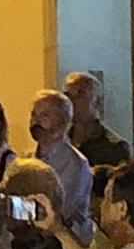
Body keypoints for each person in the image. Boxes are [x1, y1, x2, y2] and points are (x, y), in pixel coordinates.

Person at [29, 90, 93, 241]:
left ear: (64, 121)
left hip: (64, 247)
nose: (35, 121)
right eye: (33, 115)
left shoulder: (76, 164)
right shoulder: (26, 159)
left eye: (44, 115)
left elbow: (55, 211)